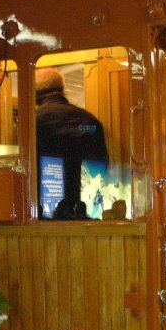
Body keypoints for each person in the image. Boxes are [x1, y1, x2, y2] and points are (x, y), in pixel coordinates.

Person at [35, 67, 108, 219]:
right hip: (87, 210)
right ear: (62, 90)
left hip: (45, 212)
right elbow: (103, 166)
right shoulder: (90, 121)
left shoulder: (33, 121)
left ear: (35, 94)